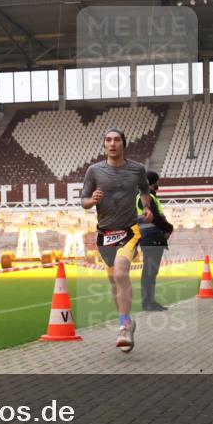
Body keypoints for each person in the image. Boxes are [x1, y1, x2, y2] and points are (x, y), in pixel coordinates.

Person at [81, 128, 153, 352]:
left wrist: (147, 208)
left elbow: (144, 189)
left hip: (129, 230)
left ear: (123, 144)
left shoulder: (137, 169)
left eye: (116, 140)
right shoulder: (94, 171)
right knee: (114, 281)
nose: (112, 144)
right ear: (104, 144)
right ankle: (128, 321)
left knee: (122, 273)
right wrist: (92, 201)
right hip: (105, 233)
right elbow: (83, 201)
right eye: (108, 140)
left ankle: (123, 326)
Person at [138, 171, 174, 311]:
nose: (158, 185)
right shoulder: (147, 197)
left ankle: (149, 302)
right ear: (151, 183)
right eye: (156, 182)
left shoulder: (148, 197)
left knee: (150, 272)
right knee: (149, 272)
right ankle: (148, 303)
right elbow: (155, 218)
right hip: (151, 237)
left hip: (150, 237)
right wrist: (169, 228)